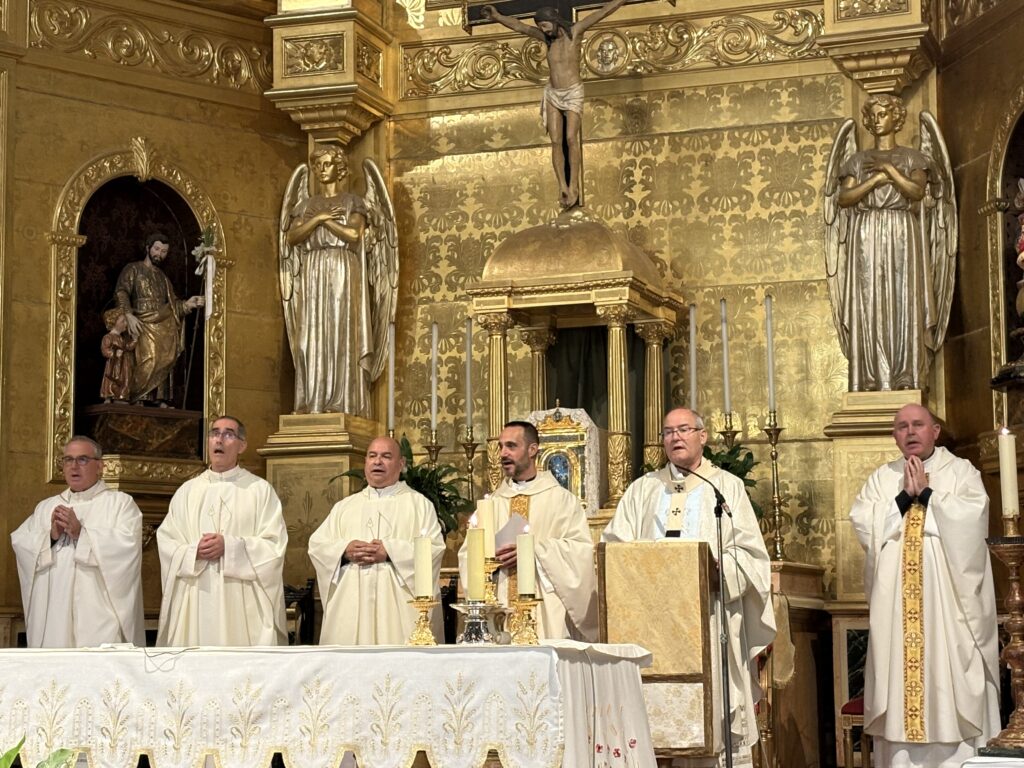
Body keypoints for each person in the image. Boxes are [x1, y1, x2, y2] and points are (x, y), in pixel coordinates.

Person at [602, 407, 775, 764]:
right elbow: (614, 550)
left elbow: (750, 555)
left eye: (683, 429)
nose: (675, 437)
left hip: (707, 621)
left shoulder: (725, 487)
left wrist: (720, 568)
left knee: (713, 724)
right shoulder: (642, 490)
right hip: (651, 628)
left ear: (702, 436)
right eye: (668, 432)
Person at [850, 403, 999, 767]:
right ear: (894, 436)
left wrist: (929, 495)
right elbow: (865, 524)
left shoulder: (961, 471)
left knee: (951, 674)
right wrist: (904, 497)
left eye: (918, 424)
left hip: (948, 606)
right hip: (897, 610)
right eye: (902, 426)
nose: (910, 432)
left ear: (935, 431)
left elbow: (973, 519)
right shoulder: (881, 478)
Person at [825, 94, 956, 392]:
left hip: (902, 232)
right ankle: (870, 377)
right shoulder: (856, 161)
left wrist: (890, 171)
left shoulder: (913, 158)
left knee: (903, 298)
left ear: (896, 118)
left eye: (883, 114)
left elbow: (916, 191)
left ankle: (905, 375)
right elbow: (844, 198)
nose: (876, 120)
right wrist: (875, 181)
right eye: (872, 116)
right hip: (866, 233)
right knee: (869, 300)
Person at [459, 420, 597, 640]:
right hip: (498, 612)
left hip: (544, 611)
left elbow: (580, 552)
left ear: (532, 450)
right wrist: (488, 560)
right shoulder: (492, 503)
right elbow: (468, 554)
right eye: (501, 446)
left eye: (511, 446)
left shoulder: (561, 501)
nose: (503, 453)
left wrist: (533, 552)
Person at [156, 415, 288, 646]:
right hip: (196, 596)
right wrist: (193, 551)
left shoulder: (259, 490)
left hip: (241, 599)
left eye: (228, 434)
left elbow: (274, 546)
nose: (219, 439)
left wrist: (230, 547)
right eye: (214, 433)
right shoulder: (187, 491)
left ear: (242, 445)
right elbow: (168, 541)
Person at [481, 0, 626, 209]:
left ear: (554, 20)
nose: (543, 30)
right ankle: (562, 187)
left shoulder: (575, 32)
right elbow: (520, 26)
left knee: (571, 138)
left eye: (544, 25)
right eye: (540, 27)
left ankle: (574, 185)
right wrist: (497, 17)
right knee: (556, 141)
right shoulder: (546, 39)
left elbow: (602, 12)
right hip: (553, 93)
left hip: (573, 92)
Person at [309, 436, 445, 645]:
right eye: (372, 456)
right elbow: (317, 546)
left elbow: (433, 549)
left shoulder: (419, 505)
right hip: (350, 608)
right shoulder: (345, 507)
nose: (377, 462)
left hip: (397, 610)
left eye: (386, 456)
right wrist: (344, 550)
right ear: (365, 462)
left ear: (401, 464)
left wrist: (390, 552)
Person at [11, 436, 144, 647]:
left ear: (99, 466)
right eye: (68, 460)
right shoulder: (46, 507)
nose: (74, 466)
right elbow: (22, 543)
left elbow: (128, 549)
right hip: (55, 613)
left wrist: (82, 534)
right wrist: (51, 537)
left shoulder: (120, 504)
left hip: (99, 614)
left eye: (82, 459)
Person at [281, 146, 373, 416]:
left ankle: (341, 401)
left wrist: (324, 224)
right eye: (318, 165)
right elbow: (292, 237)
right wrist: (320, 218)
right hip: (313, 269)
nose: (321, 170)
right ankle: (312, 400)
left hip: (342, 267)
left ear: (339, 168)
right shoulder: (304, 206)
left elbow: (353, 235)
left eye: (327, 164)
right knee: (310, 335)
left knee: (339, 331)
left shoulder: (353, 202)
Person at [113, 233, 204, 404]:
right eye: (156, 249)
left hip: (163, 324)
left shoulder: (163, 277)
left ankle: (157, 398)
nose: (159, 254)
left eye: (164, 251)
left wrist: (188, 305)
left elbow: (173, 305)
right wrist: (128, 314)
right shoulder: (133, 269)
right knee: (149, 358)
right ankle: (137, 396)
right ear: (148, 248)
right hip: (141, 322)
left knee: (165, 358)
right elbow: (121, 291)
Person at [99, 308, 137, 403]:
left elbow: (126, 347)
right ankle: (109, 396)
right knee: (112, 380)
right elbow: (105, 350)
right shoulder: (108, 337)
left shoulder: (121, 338)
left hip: (123, 365)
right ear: (114, 323)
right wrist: (113, 353)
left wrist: (135, 340)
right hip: (114, 365)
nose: (126, 324)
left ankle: (120, 396)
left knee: (123, 380)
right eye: (123, 321)